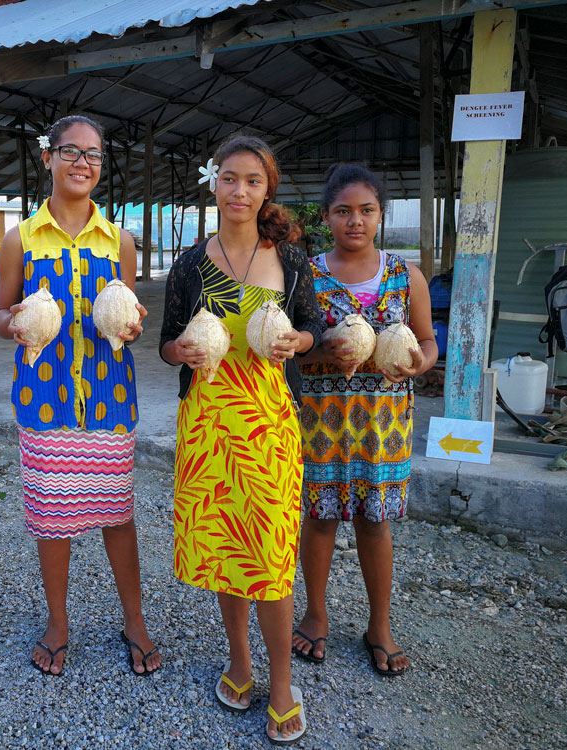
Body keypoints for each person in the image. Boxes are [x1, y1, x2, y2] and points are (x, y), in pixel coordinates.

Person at [159, 135, 323, 745]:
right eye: (229, 178)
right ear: (214, 184)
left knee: (274, 555)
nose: (239, 190)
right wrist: (178, 349)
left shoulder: (291, 258)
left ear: (266, 189)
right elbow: (167, 341)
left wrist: (298, 344)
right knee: (230, 549)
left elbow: (312, 326)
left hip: (271, 423)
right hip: (209, 425)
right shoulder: (189, 264)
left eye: (252, 180)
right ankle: (239, 661)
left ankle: (281, 682)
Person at [0, 115, 161, 677]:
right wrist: (13, 322)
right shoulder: (20, 238)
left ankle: (133, 618)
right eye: (70, 151)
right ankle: (58, 620)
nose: (82, 163)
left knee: (118, 515)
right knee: (52, 518)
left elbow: (126, 311)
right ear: (48, 158)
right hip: (45, 394)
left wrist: (132, 326)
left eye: (92, 154)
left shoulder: (121, 242)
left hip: (110, 394)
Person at [292, 163, 437, 677]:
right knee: (321, 517)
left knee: (376, 522)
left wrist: (420, 361)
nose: (356, 221)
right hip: (324, 419)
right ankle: (314, 613)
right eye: (343, 211)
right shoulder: (305, 275)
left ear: (381, 214)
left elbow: (427, 342)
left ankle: (380, 625)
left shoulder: (406, 275)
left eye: (367, 211)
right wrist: (323, 351)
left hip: (383, 423)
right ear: (327, 216)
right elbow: (291, 353)